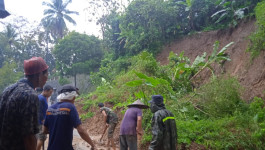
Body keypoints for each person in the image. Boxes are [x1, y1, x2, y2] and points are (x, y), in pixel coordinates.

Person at [0, 57, 49, 150]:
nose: (47, 78)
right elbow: (29, 136)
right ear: (39, 75)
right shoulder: (30, 95)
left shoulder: (8, 90)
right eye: (46, 74)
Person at [43, 84, 96, 150]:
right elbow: (81, 130)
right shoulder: (70, 107)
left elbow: (44, 130)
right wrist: (93, 145)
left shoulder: (50, 109)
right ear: (73, 97)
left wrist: (56, 130)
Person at [36, 85, 53, 150]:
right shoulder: (41, 99)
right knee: (41, 138)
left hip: (41, 121)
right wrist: (43, 121)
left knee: (42, 138)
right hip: (41, 122)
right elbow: (39, 111)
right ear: (45, 91)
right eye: (50, 92)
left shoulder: (43, 98)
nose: (50, 94)